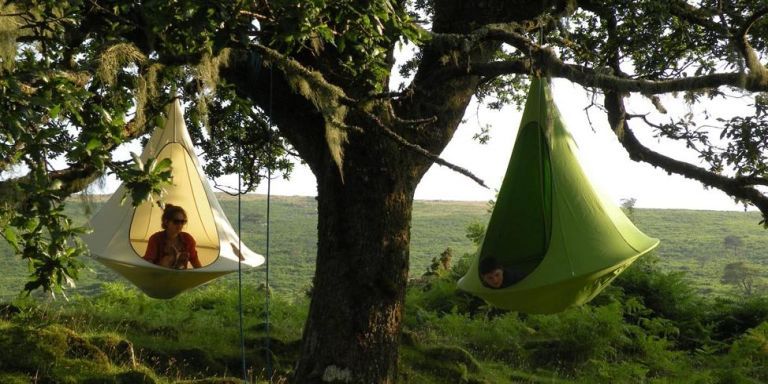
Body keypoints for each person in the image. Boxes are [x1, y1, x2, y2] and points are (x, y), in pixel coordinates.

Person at [143, 204, 203, 269]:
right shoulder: (156, 239)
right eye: (176, 222)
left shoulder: (188, 239)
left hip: (179, 277)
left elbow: (195, 262)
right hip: (158, 275)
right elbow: (148, 264)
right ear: (166, 222)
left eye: (182, 222)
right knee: (166, 260)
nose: (180, 225)